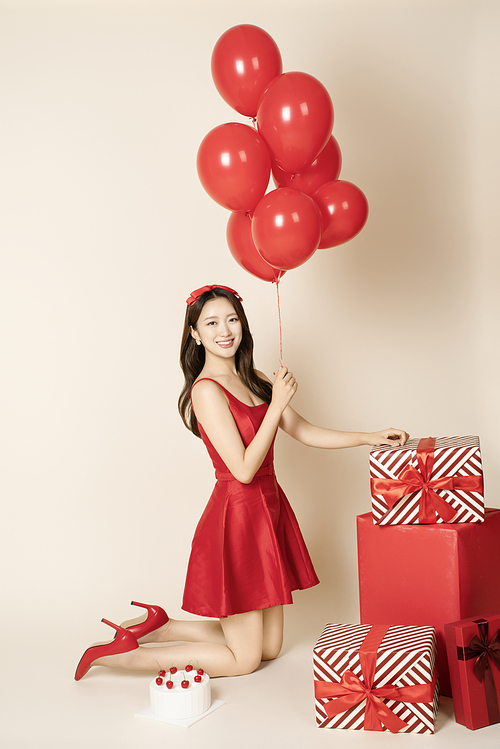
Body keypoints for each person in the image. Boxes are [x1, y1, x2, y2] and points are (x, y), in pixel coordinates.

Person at [75, 285, 408, 681]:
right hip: (236, 516)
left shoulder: (256, 377)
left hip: (269, 508)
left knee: (269, 649)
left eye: (231, 319)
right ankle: (116, 656)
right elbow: (244, 469)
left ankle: (162, 627)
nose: (224, 330)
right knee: (244, 660)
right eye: (211, 323)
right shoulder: (205, 391)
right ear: (195, 334)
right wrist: (277, 404)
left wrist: (368, 437)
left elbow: (303, 430)